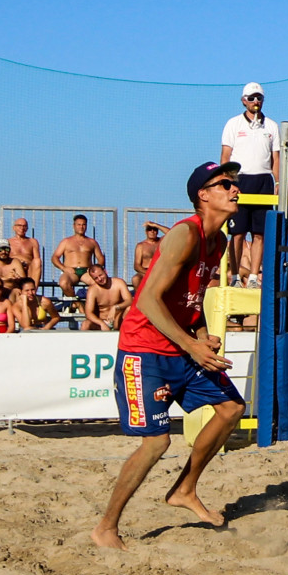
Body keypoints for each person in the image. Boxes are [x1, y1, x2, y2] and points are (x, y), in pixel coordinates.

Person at [91, 162, 246, 550]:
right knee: (157, 443)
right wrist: (192, 345)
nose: (234, 189)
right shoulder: (184, 234)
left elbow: (192, 301)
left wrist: (202, 333)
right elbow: (146, 299)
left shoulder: (221, 242)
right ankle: (106, 527)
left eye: (234, 183)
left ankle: (185, 489)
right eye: (225, 183)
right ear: (203, 195)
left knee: (231, 408)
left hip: (181, 346)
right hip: (145, 350)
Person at [221, 82, 282, 285]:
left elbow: (276, 159)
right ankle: (236, 276)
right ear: (243, 100)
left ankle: (255, 276)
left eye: (259, 98)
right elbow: (226, 155)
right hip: (240, 179)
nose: (256, 102)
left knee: (259, 233)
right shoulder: (233, 124)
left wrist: (278, 181)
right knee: (237, 234)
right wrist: (226, 181)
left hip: (263, 180)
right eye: (252, 98)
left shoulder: (271, 126)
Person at [53, 215, 106, 295]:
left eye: (84, 224)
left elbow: (101, 258)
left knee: (98, 284)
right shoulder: (66, 241)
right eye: (79, 224)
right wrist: (64, 268)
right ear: (74, 226)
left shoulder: (92, 242)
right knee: (63, 283)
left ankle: (92, 305)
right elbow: (55, 257)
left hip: (87, 272)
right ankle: (77, 304)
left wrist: (95, 269)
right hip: (71, 271)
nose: (81, 227)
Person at [83, 265, 133, 330]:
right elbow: (88, 313)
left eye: (100, 275)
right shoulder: (93, 290)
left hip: (117, 320)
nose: (100, 279)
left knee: (129, 308)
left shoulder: (119, 283)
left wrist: (116, 307)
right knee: (85, 324)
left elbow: (129, 300)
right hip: (102, 321)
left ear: (105, 271)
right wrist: (101, 323)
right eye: (96, 278)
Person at [5, 218, 42, 285]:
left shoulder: (32, 242)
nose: (22, 228)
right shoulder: (8, 242)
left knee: (37, 261)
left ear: (27, 228)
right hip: (14, 269)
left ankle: (33, 290)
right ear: (14, 228)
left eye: (24, 226)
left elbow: (36, 259)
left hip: (29, 269)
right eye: (19, 225)